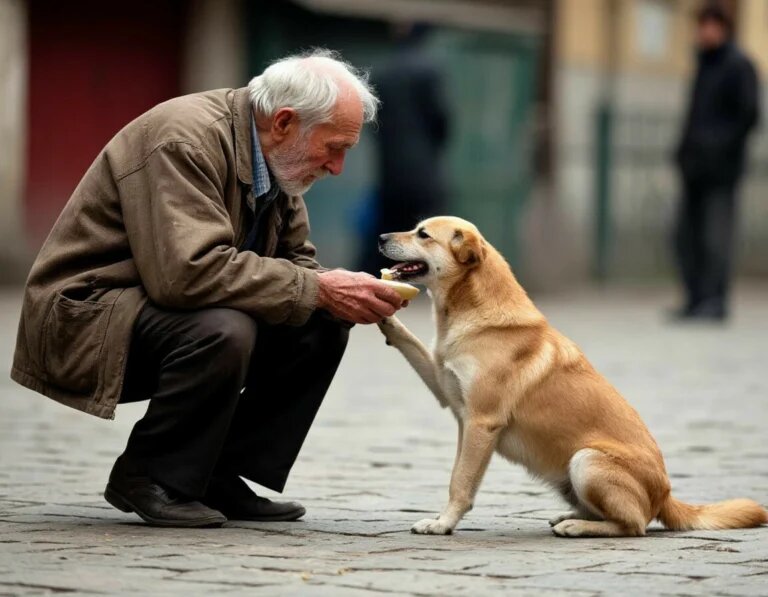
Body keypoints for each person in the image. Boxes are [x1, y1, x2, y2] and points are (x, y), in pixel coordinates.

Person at [10, 49, 405, 527]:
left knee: (319, 321)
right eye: (335, 147)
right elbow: (186, 274)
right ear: (283, 122)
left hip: (155, 307)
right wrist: (319, 288)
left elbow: (297, 264)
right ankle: (149, 475)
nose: (338, 167)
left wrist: (338, 294)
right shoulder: (185, 139)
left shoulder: (279, 161)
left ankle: (216, 473)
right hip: (85, 316)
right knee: (224, 327)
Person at [672, 3, 760, 321]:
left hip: (721, 171)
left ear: (722, 28)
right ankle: (695, 299)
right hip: (694, 168)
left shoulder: (738, 66)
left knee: (715, 237)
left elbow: (747, 116)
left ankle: (714, 302)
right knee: (685, 236)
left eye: (709, 25)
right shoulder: (704, 64)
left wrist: (716, 148)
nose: (704, 32)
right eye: (701, 25)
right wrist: (683, 152)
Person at [358, 23, 449, 274]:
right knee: (432, 227)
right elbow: (440, 120)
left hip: (389, 167)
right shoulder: (428, 70)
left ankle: (377, 278)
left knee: (387, 227)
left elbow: (372, 121)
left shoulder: (383, 72)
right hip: (424, 168)